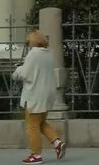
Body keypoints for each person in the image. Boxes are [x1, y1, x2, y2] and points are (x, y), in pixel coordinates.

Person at [11, 29, 66, 163]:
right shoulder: (48, 54)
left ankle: (36, 155)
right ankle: (57, 142)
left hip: (34, 96)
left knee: (32, 126)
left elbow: (25, 74)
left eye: (28, 40)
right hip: (46, 95)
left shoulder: (33, 54)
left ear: (32, 41)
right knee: (40, 122)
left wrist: (17, 69)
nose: (27, 43)